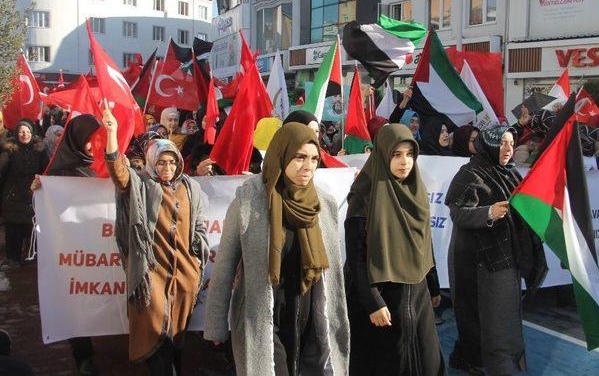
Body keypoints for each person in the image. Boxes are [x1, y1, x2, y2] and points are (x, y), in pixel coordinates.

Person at [204, 123, 349, 376]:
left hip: (310, 315)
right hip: (263, 315)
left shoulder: (324, 204)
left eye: (314, 159)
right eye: (300, 157)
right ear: (281, 154)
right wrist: (216, 325)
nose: (308, 166)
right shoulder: (249, 201)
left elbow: (333, 272)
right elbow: (225, 266)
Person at [102, 107, 209, 375]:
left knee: (176, 336)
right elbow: (119, 173)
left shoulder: (190, 188)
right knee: (152, 331)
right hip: (151, 275)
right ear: (151, 161)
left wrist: (196, 262)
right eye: (161, 162)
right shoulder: (141, 185)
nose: (168, 168)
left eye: (172, 162)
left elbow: (198, 227)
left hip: (184, 275)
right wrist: (112, 133)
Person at [445, 126, 547, 376]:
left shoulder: (511, 173)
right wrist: (488, 213)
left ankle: (475, 358)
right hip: (477, 259)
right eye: (502, 143)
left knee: (498, 316)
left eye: (511, 143)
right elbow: (457, 213)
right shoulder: (470, 172)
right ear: (488, 145)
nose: (508, 149)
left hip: (507, 253)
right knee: (480, 315)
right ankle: (486, 362)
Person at [345, 123, 445, 376]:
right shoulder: (364, 194)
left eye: (410, 154)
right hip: (383, 298)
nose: (405, 162)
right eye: (396, 154)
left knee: (427, 363)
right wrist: (372, 303)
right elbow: (356, 256)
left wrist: (433, 285)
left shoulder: (416, 190)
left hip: (417, 295)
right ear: (382, 154)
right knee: (388, 365)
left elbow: (424, 241)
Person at [34, 114, 102, 375]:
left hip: (104, 248)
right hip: (75, 251)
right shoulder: (58, 172)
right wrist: (40, 190)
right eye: (90, 139)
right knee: (78, 299)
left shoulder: (104, 165)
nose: (94, 144)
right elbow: (49, 209)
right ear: (77, 139)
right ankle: (82, 355)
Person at [0, 120, 48, 269]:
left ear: (32, 132)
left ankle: (33, 256)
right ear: (16, 133)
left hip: (33, 194)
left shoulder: (39, 150)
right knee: (13, 229)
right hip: (13, 194)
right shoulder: (9, 149)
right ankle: (13, 258)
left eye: (27, 131)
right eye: (21, 131)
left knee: (32, 227)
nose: (24, 134)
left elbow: (46, 170)